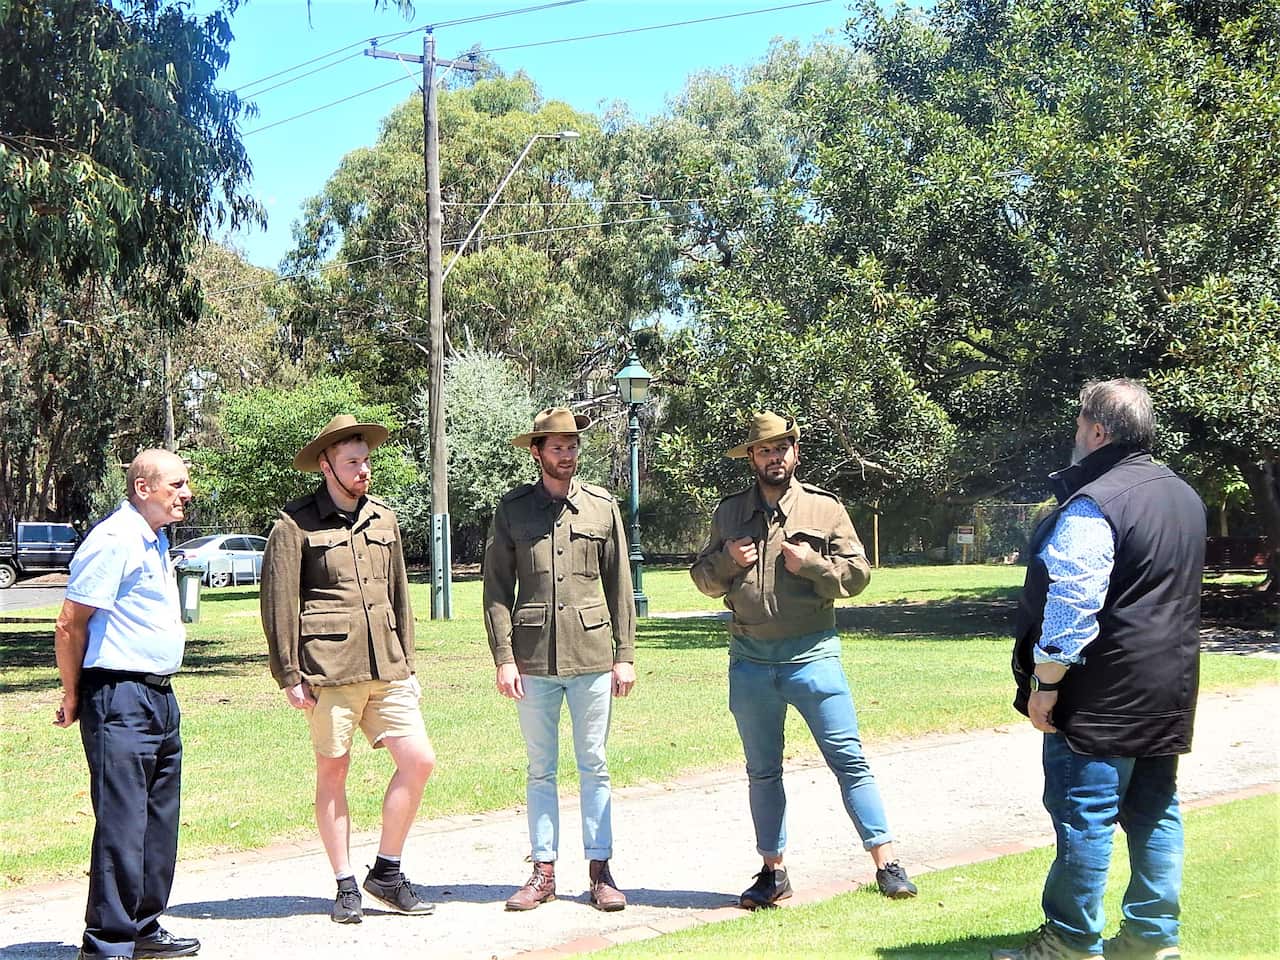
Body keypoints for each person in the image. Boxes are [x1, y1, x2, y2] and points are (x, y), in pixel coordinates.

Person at [994, 380, 1204, 960]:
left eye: (1080, 421)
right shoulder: (1183, 495)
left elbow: (1073, 602)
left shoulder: (1095, 501)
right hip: (1170, 686)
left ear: (1098, 431)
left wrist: (1046, 683)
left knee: (1083, 818)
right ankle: (1152, 941)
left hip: (1100, 691)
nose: (1075, 433)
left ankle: (1068, 941)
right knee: (1155, 812)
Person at [689, 411, 917, 908]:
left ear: (796, 452)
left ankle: (888, 864)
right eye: (765, 450)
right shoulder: (729, 513)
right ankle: (773, 873)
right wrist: (729, 561)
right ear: (751, 457)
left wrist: (813, 565)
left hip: (813, 656)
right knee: (762, 770)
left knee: (848, 760)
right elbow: (703, 580)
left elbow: (858, 577)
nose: (775, 457)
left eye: (783, 448)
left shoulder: (825, 509)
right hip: (749, 660)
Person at [260, 415, 436, 924]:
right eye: (352, 463)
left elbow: (400, 595)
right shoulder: (293, 525)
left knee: (419, 760)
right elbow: (278, 604)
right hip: (328, 670)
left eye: (366, 461)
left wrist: (408, 661)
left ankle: (386, 869)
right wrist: (288, 674)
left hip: (387, 666)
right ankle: (344, 884)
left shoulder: (384, 519)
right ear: (326, 466)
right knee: (333, 772)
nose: (363, 471)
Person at [483, 407, 637, 912]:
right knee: (540, 768)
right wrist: (504, 658)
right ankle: (543, 871)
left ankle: (601, 871)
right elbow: (497, 589)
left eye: (572, 445)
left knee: (595, 764)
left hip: (593, 656)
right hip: (532, 660)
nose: (566, 454)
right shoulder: (513, 510)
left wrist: (625, 656)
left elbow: (620, 586)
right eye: (557, 446)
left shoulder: (600, 506)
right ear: (537, 451)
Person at [53, 449, 200, 959]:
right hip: (118, 695)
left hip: (158, 695)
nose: (186, 494)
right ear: (143, 488)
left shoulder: (153, 538)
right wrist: (73, 695)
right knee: (122, 822)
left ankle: (143, 927)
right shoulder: (114, 539)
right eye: (176, 485)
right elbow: (71, 622)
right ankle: (107, 943)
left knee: (159, 820)